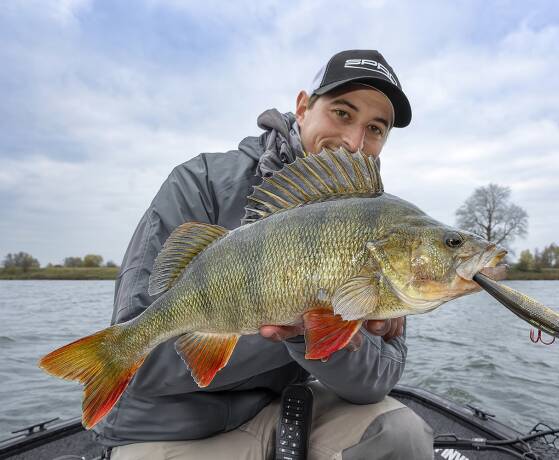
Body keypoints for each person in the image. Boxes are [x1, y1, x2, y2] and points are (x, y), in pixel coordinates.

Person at [94, 49, 434, 460]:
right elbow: (146, 370)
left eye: (376, 128)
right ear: (303, 108)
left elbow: (374, 384)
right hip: (166, 428)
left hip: (282, 414)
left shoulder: (384, 222)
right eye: (342, 113)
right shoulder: (199, 181)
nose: (353, 143)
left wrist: (330, 329)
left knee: (402, 435)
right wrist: (290, 319)